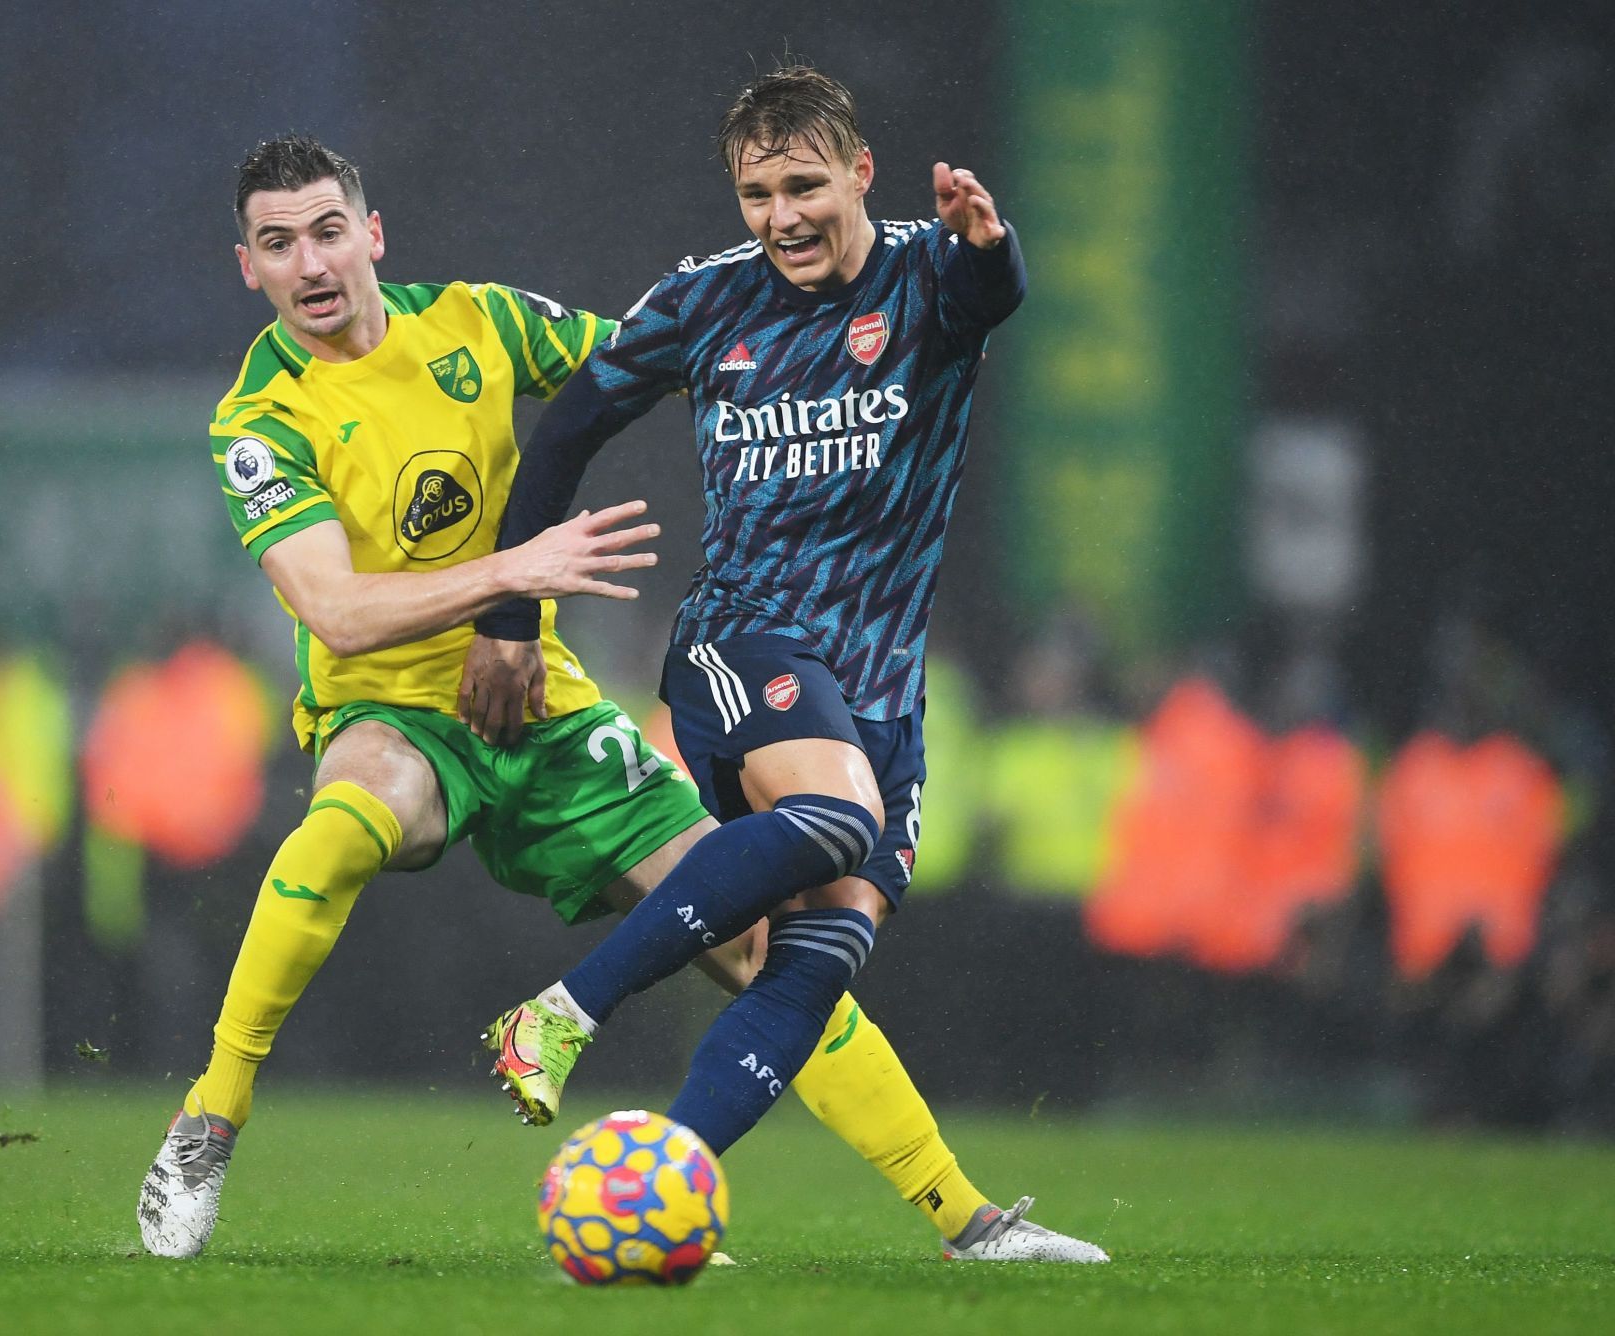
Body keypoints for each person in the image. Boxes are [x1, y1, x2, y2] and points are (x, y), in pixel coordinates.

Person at [136, 133, 1092, 1265]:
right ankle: (209, 1117)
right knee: (344, 823)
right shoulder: (259, 417)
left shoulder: (482, 323)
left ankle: (965, 1220)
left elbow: (658, 355)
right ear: (246, 264)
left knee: (770, 945)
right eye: (278, 244)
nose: (311, 264)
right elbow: (336, 614)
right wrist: (511, 576)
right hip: (393, 714)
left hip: (550, 715)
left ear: (373, 234)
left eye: (328, 231)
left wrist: (862, 336)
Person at [469, 67, 1104, 1262]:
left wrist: (992, 241)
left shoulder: (927, 274)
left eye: (804, 184)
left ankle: (666, 1189)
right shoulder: (704, 302)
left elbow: (989, 288)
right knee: (834, 817)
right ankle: (562, 1010)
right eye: (757, 192)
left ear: (862, 172)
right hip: (739, 643)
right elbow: (563, 433)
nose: (782, 216)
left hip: (878, 688)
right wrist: (509, 609)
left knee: (809, 965)